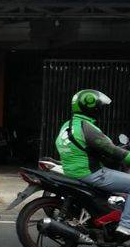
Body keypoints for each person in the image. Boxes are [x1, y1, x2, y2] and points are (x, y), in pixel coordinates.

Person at [55, 89, 130, 236]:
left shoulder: (67, 125)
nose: (101, 109)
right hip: (91, 173)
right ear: (91, 107)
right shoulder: (87, 127)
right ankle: (126, 226)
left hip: (71, 171)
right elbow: (112, 150)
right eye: (100, 106)